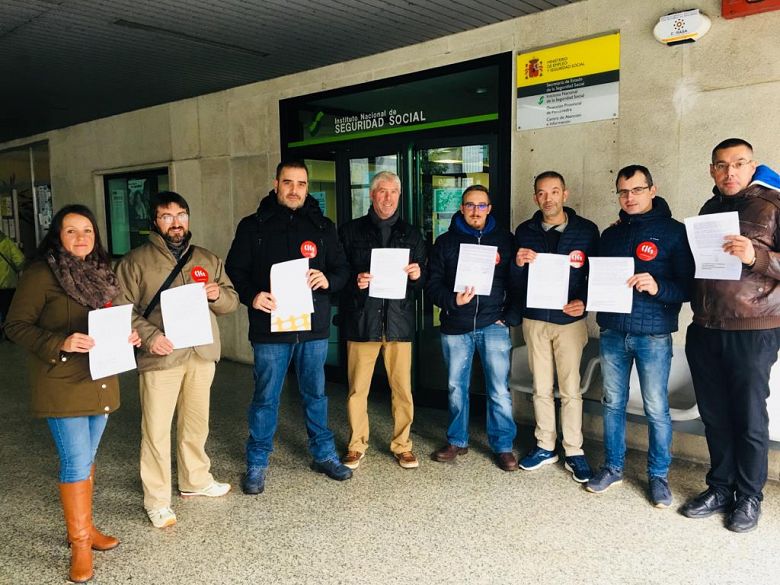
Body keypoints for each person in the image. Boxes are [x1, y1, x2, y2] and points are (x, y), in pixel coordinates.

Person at [5, 205, 141, 583]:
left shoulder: (102, 272)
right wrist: (60, 342)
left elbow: (109, 320)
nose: (81, 238)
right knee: (76, 461)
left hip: (100, 378)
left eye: (87, 231)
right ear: (58, 235)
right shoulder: (41, 274)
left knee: (87, 458)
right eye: (71, 231)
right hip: (61, 381)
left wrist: (127, 337)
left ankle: (86, 528)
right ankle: (80, 543)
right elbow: (15, 326)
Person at [226, 160, 353, 494]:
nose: (295, 190)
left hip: (313, 328)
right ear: (276, 184)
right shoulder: (253, 226)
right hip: (270, 329)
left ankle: (323, 454)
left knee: (316, 394)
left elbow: (342, 269)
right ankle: (257, 462)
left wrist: (328, 279)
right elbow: (235, 270)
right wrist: (253, 296)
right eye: (288, 183)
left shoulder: (323, 227)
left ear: (307, 187)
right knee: (265, 397)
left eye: (301, 184)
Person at [114, 191, 238, 529]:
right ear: (155, 222)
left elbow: (231, 301)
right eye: (167, 216)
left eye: (181, 215)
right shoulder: (134, 262)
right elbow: (120, 309)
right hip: (162, 356)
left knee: (196, 423)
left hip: (201, 353)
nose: (176, 222)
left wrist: (218, 294)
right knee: (156, 430)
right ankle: (156, 500)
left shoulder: (206, 258)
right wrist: (151, 337)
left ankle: (195, 479)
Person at [681, 138, 780, 532]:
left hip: (754, 328)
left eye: (739, 163)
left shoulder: (773, 205)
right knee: (715, 415)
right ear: (712, 170)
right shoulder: (710, 208)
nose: (730, 172)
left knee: (749, 416)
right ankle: (721, 487)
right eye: (721, 165)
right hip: (706, 326)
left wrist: (755, 256)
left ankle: (750, 496)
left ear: (752, 166)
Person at [585, 165, 694, 508]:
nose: (629, 197)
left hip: (654, 335)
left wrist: (658, 286)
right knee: (612, 402)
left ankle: (658, 476)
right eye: (623, 191)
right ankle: (612, 468)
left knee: (656, 408)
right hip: (613, 330)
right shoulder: (611, 234)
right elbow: (596, 278)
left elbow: (689, 287)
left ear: (652, 190)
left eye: (636, 190)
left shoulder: (675, 232)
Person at [426, 184, 522, 471]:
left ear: (489, 208)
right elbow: (432, 286)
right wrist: (452, 301)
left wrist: (510, 316)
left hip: (494, 324)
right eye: (470, 205)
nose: (475, 211)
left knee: (499, 390)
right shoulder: (445, 242)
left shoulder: (505, 240)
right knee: (456, 387)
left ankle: (503, 446)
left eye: (481, 205)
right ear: (461, 208)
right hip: (456, 324)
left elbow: (517, 281)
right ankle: (457, 440)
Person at [513, 171, 599, 482]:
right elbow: (514, 280)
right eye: (541, 192)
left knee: (570, 389)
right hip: (535, 318)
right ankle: (545, 445)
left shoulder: (586, 230)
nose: (547, 198)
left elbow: (596, 274)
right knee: (541, 387)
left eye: (553, 191)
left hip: (569, 322)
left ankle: (574, 450)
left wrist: (584, 302)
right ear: (535, 197)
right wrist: (517, 264)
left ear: (565, 194)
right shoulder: (524, 231)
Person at [338, 171, 426, 470]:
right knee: (357, 390)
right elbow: (337, 274)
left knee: (402, 390)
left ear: (399, 196)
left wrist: (418, 275)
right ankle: (356, 444)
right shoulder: (350, 231)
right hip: (362, 321)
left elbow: (423, 279)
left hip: (399, 322)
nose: (388, 198)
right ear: (372, 194)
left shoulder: (412, 234)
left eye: (393, 192)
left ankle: (402, 445)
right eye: (382, 191)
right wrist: (355, 280)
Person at [0, 228, 25, 340]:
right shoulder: (5, 241)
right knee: (7, 310)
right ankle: (9, 334)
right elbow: (20, 260)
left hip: (7, 284)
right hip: (8, 284)